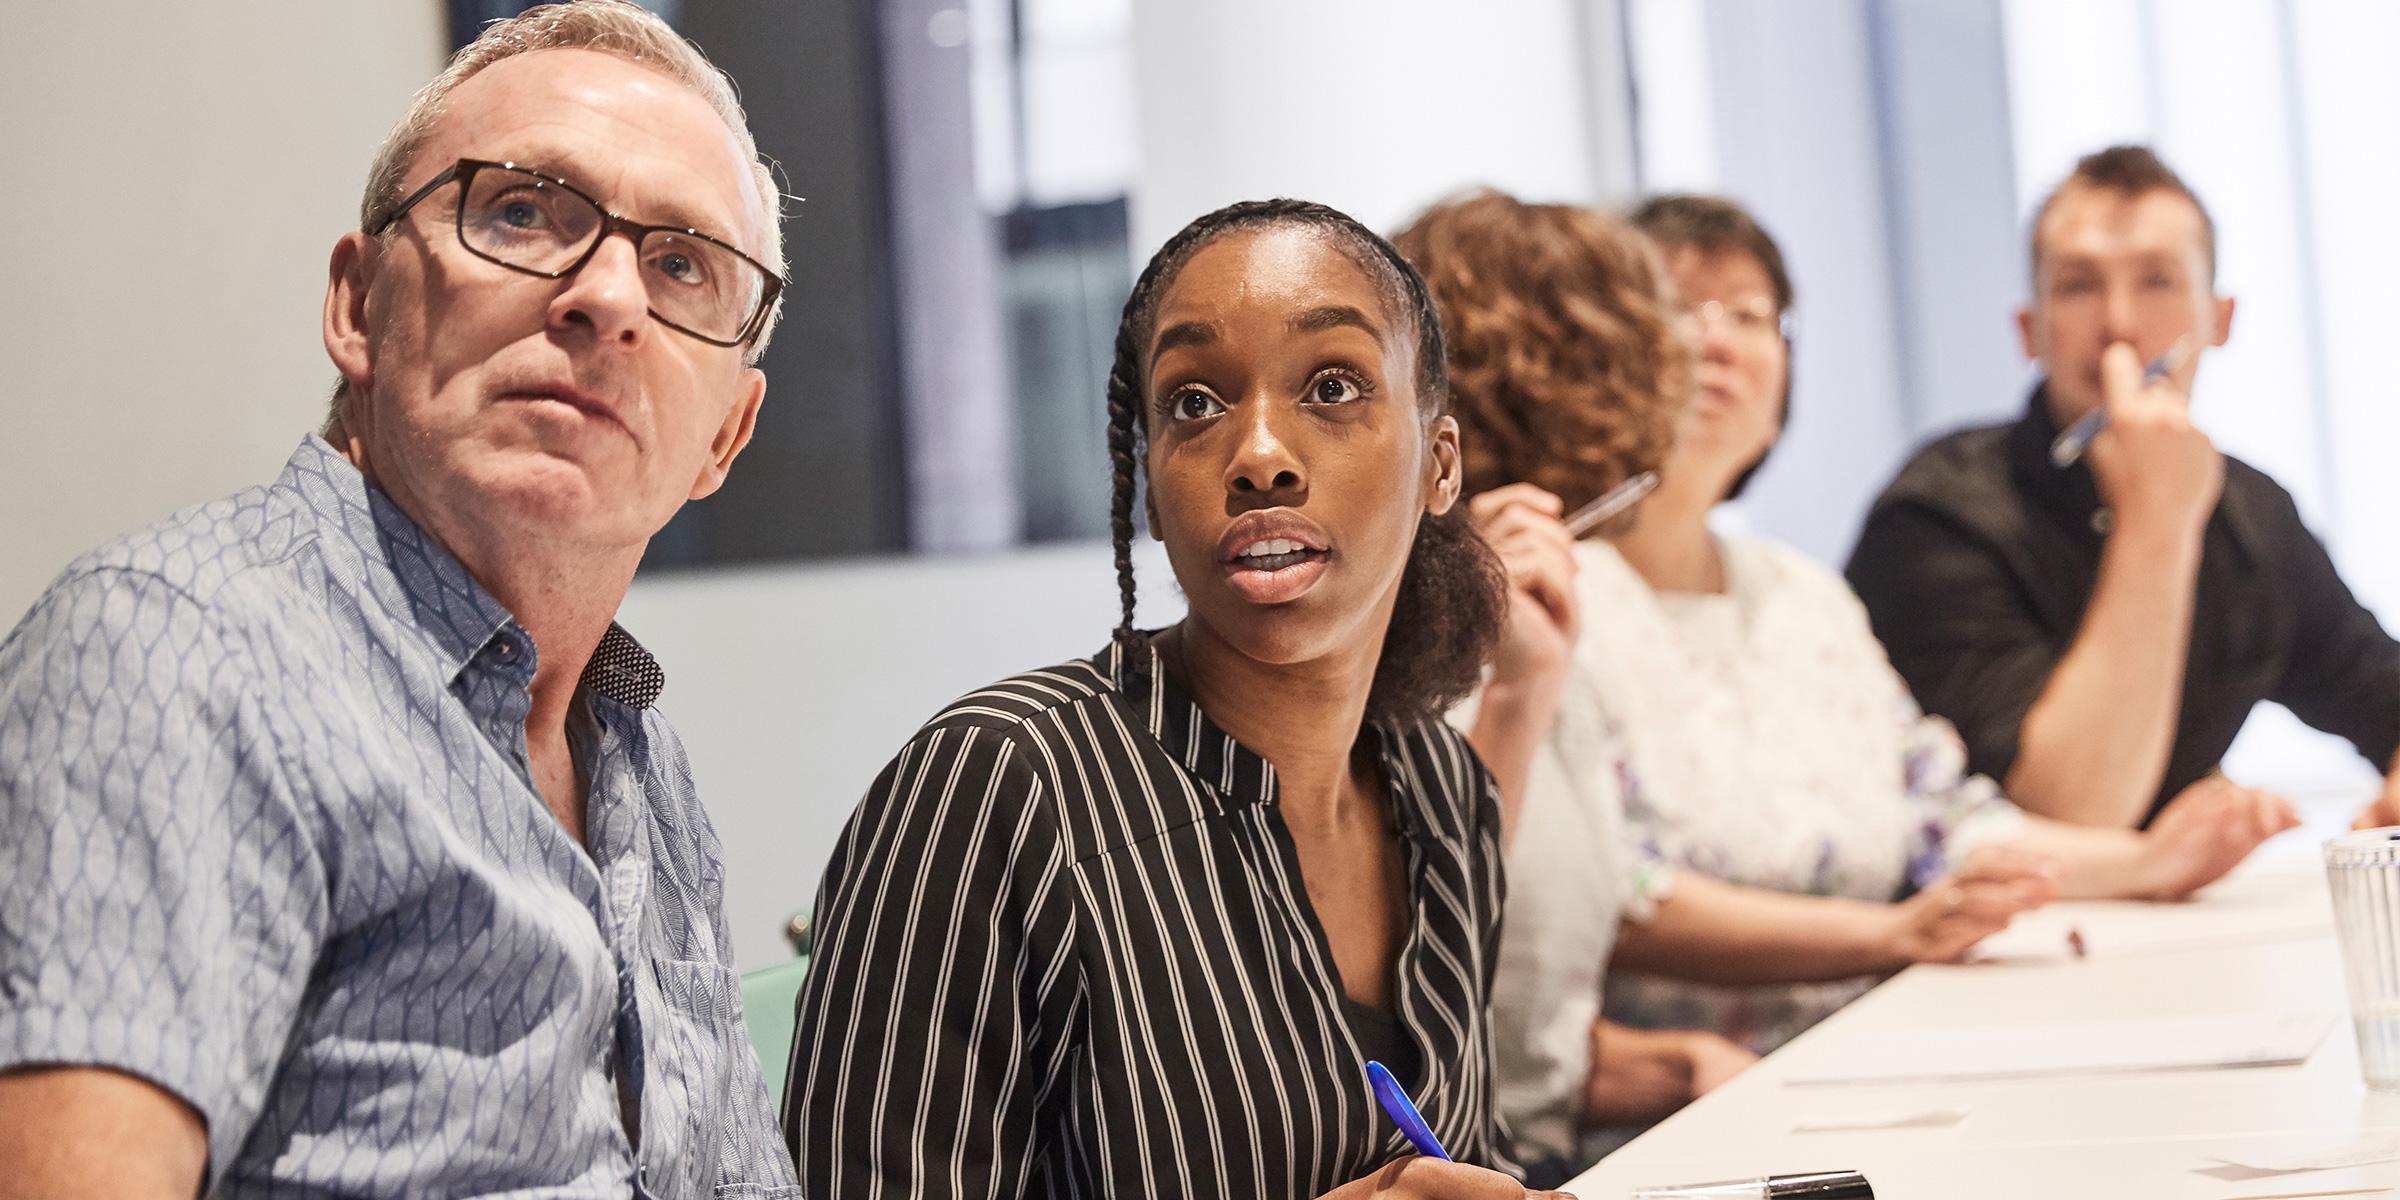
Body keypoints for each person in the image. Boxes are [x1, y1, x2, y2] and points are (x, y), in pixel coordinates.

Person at [0, 4, 798, 1196]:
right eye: (523, 210)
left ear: (724, 437)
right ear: (357, 303)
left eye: (683, 264)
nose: (609, 299)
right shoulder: (179, 652)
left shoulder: (642, 761)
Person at [1397, 189, 2296, 1178]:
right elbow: (1608, 897)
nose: (1715, 345)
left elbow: (1941, 816)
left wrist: (2136, 864)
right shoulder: (1540, 592)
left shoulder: (1802, 593)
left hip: (1866, 1070)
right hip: (1681, 1125)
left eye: (1750, 315)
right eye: (1678, 313)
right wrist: (1889, 932)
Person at [784, 199, 1562, 1199]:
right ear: (1152, 484)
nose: (1261, 457)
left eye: (1331, 386)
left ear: (1439, 465)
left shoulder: (1446, 791)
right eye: (1194, 403)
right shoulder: (1002, 789)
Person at [1847, 145, 2400, 831]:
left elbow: (2379, 691)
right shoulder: (1938, 516)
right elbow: (2069, 814)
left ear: (2218, 320)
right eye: (2078, 286)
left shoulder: (2254, 514)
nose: (2119, 326)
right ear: (2030, 330)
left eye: (2158, 282)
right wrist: (2157, 520)